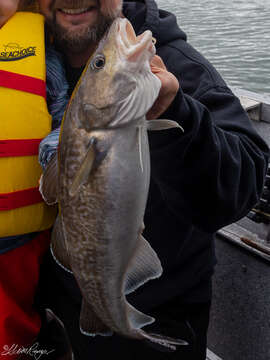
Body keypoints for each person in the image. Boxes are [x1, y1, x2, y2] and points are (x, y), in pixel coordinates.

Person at [36, 0, 269, 359]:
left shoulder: (174, 65)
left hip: (160, 327)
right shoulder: (26, 58)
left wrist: (177, 114)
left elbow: (243, 184)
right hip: (54, 318)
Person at [0, 0, 69, 357]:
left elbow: (64, 119)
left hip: (20, 239)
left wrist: (55, 147)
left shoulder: (44, 56)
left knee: (13, 327)